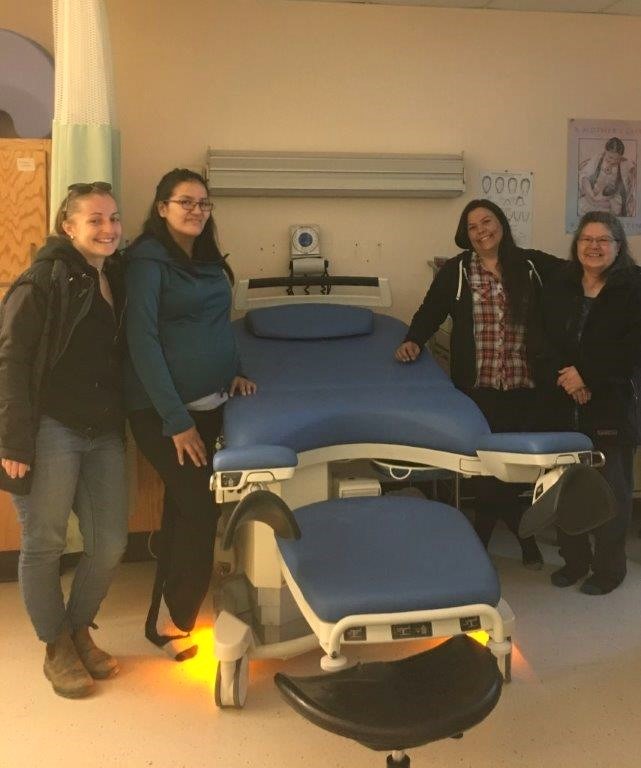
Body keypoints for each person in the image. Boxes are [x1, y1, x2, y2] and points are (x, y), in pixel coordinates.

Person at [0, 182, 128, 698]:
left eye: (114, 218)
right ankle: (56, 647)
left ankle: (78, 627)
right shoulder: (41, 281)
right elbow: (9, 362)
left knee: (110, 543)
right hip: (50, 427)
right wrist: (11, 443)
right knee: (45, 543)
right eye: (94, 219)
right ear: (67, 226)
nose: (108, 228)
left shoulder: (117, 277)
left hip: (104, 430)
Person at [125, 168, 256, 661]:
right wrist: (176, 420)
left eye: (204, 203)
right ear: (162, 208)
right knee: (198, 509)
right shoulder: (146, 261)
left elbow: (217, 324)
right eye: (186, 202)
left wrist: (235, 370)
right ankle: (172, 620)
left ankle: (169, 617)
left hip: (213, 402)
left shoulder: (205, 258)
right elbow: (143, 342)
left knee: (188, 508)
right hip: (163, 413)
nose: (197, 210)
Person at [395, 199, 563, 567]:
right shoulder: (457, 272)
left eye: (487, 221)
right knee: (486, 469)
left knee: (514, 470)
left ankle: (483, 544)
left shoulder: (531, 265)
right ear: (465, 234)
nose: (481, 230)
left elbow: (577, 275)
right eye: (472, 226)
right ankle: (521, 540)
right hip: (477, 390)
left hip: (525, 386)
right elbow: (430, 310)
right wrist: (412, 339)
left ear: (501, 224)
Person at [535, 211, 641, 595]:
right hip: (562, 402)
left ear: (618, 246)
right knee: (565, 486)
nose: (594, 247)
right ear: (576, 244)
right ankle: (574, 560)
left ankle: (609, 570)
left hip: (611, 403)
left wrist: (588, 377)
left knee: (610, 489)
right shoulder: (559, 285)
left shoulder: (634, 287)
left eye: (603, 240)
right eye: (587, 239)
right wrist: (569, 377)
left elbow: (631, 348)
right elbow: (541, 339)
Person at [578, 137, 636, 217]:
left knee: (609, 212)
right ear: (605, 151)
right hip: (594, 194)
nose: (613, 161)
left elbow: (624, 192)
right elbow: (584, 177)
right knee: (581, 206)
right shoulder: (598, 159)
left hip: (612, 201)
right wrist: (591, 197)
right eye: (610, 157)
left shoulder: (624, 166)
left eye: (617, 159)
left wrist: (603, 202)